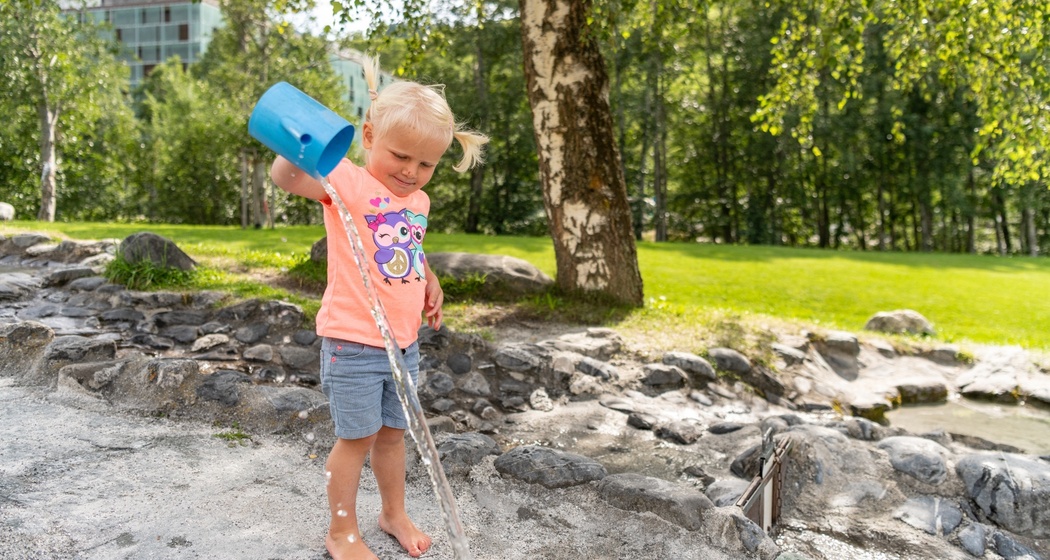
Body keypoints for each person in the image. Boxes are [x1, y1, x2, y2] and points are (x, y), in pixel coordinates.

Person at [271, 56, 489, 560]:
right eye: (400, 156)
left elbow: (406, 249)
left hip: (403, 343)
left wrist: (429, 279)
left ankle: (392, 512)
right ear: (369, 136)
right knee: (357, 438)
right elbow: (286, 177)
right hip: (352, 343)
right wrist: (306, 140)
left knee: (394, 435)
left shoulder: (419, 202)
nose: (411, 172)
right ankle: (340, 531)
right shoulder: (346, 181)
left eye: (426, 163)